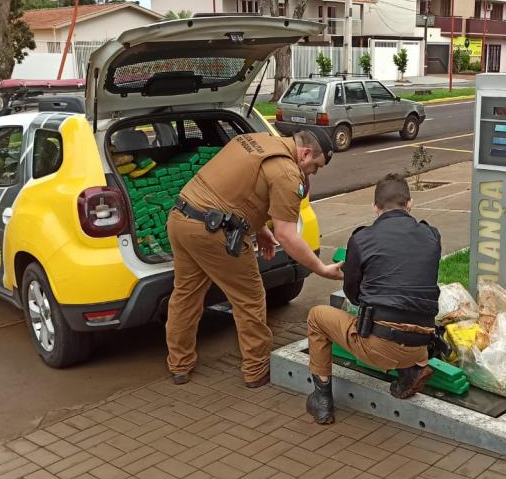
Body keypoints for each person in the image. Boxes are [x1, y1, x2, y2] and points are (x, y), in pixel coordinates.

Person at [166, 129, 344, 387]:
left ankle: (179, 365)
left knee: (186, 295)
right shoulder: (286, 173)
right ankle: (256, 369)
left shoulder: (255, 139)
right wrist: (321, 269)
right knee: (249, 298)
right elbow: (287, 235)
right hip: (214, 232)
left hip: (180, 219)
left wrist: (260, 229)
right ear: (305, 153)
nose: (313, 172)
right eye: (315, 166)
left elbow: (240, 190)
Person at [305, 173, 442, 424]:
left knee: (317, 317)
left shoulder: (362, 239)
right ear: (409, 204)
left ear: (375, 208)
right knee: (403, 312)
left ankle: (321, 400)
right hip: (422, 343)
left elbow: (354, 296)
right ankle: (411, 370)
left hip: (379, 345)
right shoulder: (432, 235)